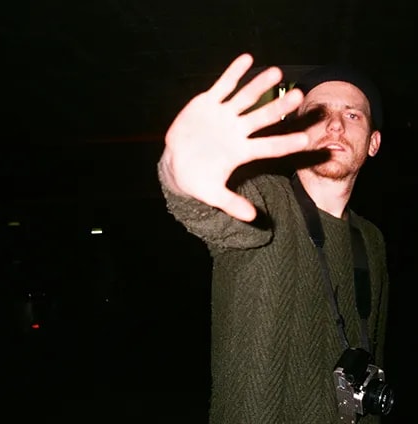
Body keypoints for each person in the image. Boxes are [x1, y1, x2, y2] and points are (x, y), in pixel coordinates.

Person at [157, 52, 391, 424]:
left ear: (374, 142)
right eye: (318, 113)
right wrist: (179, 175)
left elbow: (371, 346)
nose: (334, 126)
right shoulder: (266, 202)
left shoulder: (371, 240)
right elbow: (205, 207)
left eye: (352, 115)